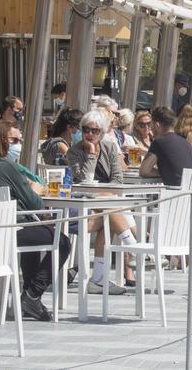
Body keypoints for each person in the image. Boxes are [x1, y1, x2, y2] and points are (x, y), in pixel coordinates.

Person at [0, 120, 71, 321]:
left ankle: (29, 299)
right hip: (8, 231)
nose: (17, 144)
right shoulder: (6, 167)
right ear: (2, 141)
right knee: (63, 242)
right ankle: (32, 295)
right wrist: (35, 189)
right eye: (14, 140)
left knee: (33, 232)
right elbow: (34, 203)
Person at [68, 109, 136, 293]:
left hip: (104, 205)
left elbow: (118, 180)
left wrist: (104, 194)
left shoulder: (110, 147)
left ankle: (98, 279)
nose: (89, 134)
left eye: (95, 131)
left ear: (104, 132)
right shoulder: (74, 152)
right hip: (83, 208)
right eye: (86, 129)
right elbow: (82, 180)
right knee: (112, 211)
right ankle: (136, 248)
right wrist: (90, 155)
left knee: (109, 214)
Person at [140, 105, 192, 187]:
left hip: (176, 196)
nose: (150, 128)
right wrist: (171, 172)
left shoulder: (159, 142)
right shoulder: (185, 142)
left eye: (151, 124)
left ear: (157, 125)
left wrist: (164, 173)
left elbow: (144, 171)